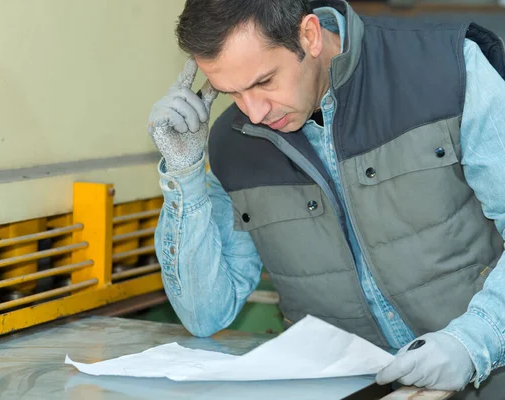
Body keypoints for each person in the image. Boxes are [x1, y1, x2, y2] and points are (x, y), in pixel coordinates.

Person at [146, 0, 505, 397]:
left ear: (311, 35)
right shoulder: (233, 143)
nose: (255, 112)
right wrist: (185, 172)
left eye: (264, 82)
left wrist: (471, 343)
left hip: (488, 376)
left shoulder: (447, 71)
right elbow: (205, 314)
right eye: (232, 93)